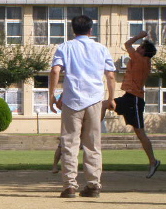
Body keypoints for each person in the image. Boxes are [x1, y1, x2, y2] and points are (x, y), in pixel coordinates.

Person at [49, 15, 116, 198]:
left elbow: (55, 70)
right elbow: (110, 75)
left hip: (72, 101)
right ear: (91, 30)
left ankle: (69, 185)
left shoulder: (65, 47)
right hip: (94, 100)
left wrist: (52, 95)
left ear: (73, 29)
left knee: (70, 143)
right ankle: (93, 184)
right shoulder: (101, 48)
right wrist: (111, 98)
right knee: (93, 144)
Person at [103, 30, 161, 178]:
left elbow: (127, 44)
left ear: (144, 51)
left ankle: (153, 161)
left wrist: (139, 36)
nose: (137, 48)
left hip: (134, 100)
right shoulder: (143, 61)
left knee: (140, 133)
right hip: (130, 98)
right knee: (104, 105)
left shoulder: (140, 59)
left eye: (141, 46)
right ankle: (93, 132)